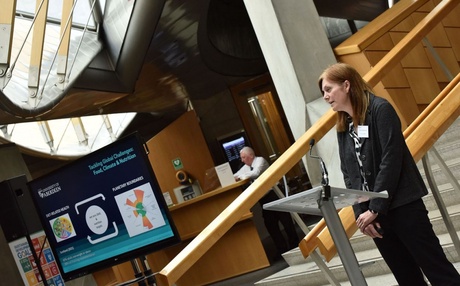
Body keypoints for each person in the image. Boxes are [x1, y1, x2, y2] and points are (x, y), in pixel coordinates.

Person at [318, 62, 460, 285]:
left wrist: (374, 207)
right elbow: (350, 174)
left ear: (346, 85)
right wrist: (361, 214)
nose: (325, 97)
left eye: (328, 89)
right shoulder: (343, 126)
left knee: (438, 270)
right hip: (375, 216)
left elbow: (391, 160)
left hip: (403, 206)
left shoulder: (380, 109)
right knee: (407, 278)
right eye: (323, 92)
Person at [233, 146, 299, 258]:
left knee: (285, 220)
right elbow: (235, 175)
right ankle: (282, 249)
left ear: (251, 155)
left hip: (274, 194)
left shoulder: (260, 161)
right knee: (270, 225)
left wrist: (241, 176)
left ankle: (295, 244)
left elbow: (256, 173)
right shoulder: (246, 167)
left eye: (244, 157)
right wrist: (239, 176)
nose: (242, 160)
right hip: (263, 198)